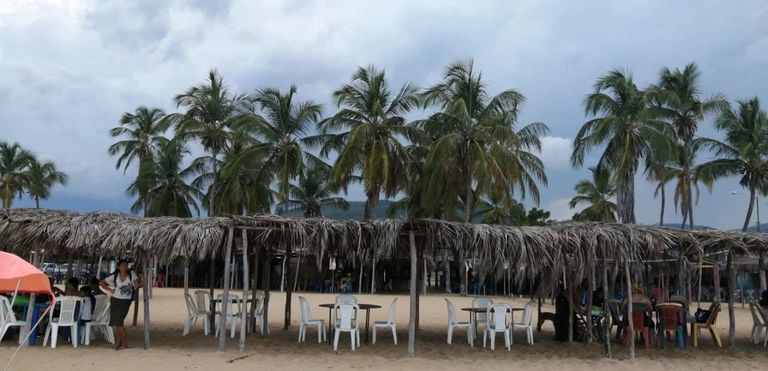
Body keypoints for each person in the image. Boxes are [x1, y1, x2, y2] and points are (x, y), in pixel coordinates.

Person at [100, 259, 142, 350]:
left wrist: (136, 284)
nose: (124, 267)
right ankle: (121, 342)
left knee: (119, 322)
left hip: (125, 301)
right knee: (117, 323)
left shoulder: (131, 275)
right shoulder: (115, 276)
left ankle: (122, 342)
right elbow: (102, 283)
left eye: (126, 266)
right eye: (122, 266)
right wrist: (110, 290)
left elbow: (138, 283)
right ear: (119, 267)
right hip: (115, 300)